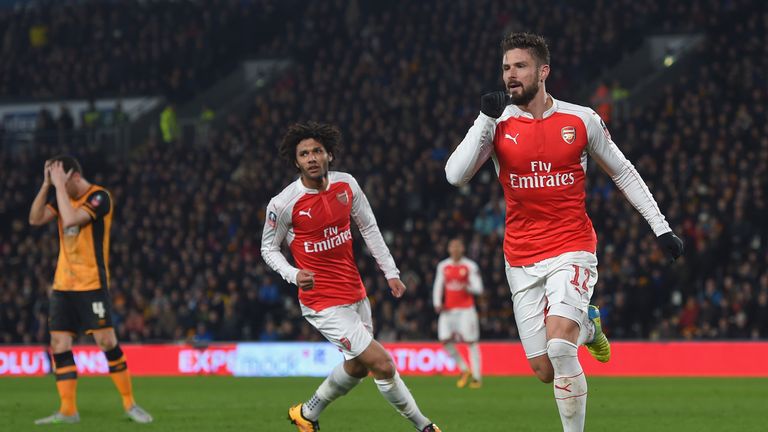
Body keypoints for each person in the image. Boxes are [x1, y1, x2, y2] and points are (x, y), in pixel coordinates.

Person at [445, 33, 684, 432]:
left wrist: (661, 228)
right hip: (520, 257)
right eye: (506, 67)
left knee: (559, 347)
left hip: (571, 246)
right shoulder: (498, 123)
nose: (510, 75)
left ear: (544, 71)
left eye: (520, 66)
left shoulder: (581, 119)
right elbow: (455, 176)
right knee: (543, 368)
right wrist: (484, 119)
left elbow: (623, 170)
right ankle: (589, 326)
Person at [261, 122, 440, 432]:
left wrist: (391, 273)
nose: (312, 158)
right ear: (296, 161)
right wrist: (292, 274)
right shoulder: (284, 203)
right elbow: (268, 248)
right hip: (321, 302)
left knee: (357, 367)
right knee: (382, 363)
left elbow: (369, 228)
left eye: (317, 151)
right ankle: (425, 427)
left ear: (329, 154)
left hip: (355, 294)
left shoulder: (347, 186)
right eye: (304, 154)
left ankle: (306, 413)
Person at [28, 155, 153, 425]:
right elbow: (35, 219)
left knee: (106, 342)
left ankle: (130, 404)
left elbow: (72, 220)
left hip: (91, 284)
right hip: (63, 285)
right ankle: (68, 410)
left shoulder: (100, 197)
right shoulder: (62, 196)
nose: (59, 185)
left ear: (74, 176)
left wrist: (59, 187)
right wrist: (46, 184)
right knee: (59, 344)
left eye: (62, 179)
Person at [432, 238, 483, 388]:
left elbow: (479, 288)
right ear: (449, 249)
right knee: (444, 340)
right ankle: (464, 369)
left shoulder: (470, 266)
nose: (455, 250)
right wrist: (436, 303)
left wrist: (469, 287)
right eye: (452, 247)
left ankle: (476, 377)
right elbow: (438, 285)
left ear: (463, 249)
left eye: (458, 247)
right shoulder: (443, 266)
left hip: (466, 310)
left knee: (471, 342)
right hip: (448, 309)